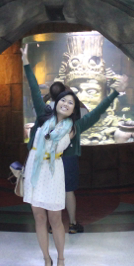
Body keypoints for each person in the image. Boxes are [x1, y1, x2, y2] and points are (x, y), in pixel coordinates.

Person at [22, 43, 126, 266]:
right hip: (35, 171)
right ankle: (46, 259)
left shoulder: (74, 127)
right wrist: (26, 62)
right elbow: (34, 89)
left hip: (53, 173)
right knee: (39, 217)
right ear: (56, 102)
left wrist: (114, 93)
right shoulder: (43, 116)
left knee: (55, 219)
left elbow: (97, 112)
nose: (66, 104)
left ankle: (60, 259)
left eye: (71, 103)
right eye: (63, 100)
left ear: (74, 110)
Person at [46, 82, 88, 235]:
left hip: (50, 156)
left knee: (52, 190)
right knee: (68, 190)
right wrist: (73, 97)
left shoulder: (47, 108)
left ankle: (53, 225)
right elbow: (86, 112)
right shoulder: (72, 109)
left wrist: (49, 96)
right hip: (68, 156)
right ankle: (72, 224)